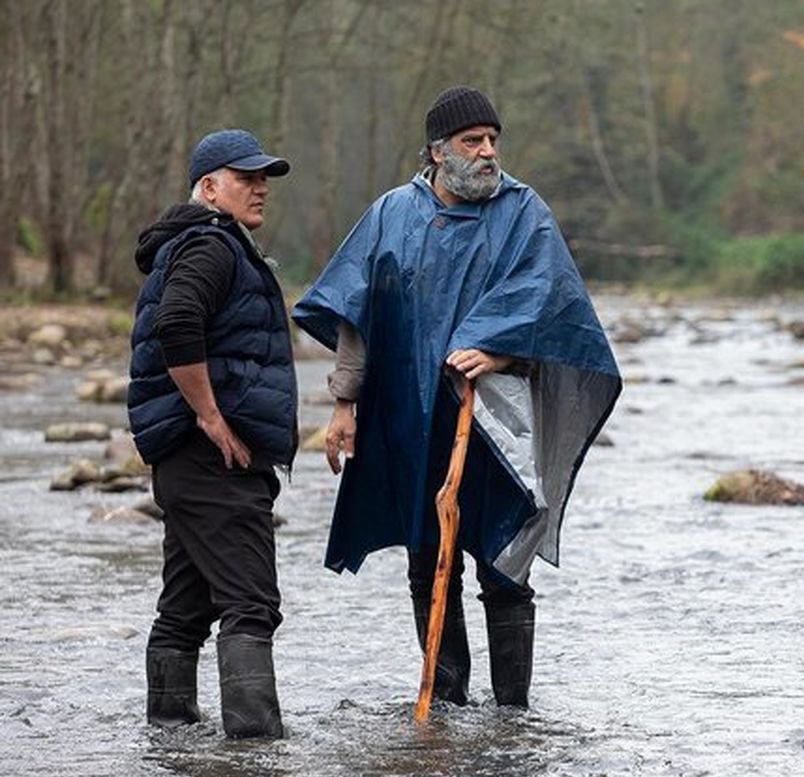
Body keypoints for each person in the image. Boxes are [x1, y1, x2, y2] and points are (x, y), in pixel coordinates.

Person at [293, 86, 621, 709]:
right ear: (438, 152)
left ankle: (511, 713)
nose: (488, 152)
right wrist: (343, 404)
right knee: (427, 557)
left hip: (497, 416)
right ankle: (445, 700)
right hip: (411, 413)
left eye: (493, 140)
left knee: (504, 560)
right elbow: (357, 316)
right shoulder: (392, 213)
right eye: (473, 142)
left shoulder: (524, 213)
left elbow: (554, 306)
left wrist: (501, 351)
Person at [127, 129, 297, 738]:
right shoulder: (211, 245)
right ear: (208, 187)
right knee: (250, 604)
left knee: (184, 607)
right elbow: (178, 321)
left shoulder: (201, 243)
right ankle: (253, 755)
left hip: (186, 462)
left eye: (264, 179)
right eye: (245, 177)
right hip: (210, 457)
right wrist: (209, 414)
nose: (260, 189)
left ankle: (169, 743)